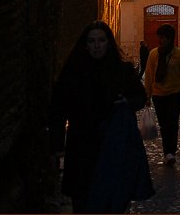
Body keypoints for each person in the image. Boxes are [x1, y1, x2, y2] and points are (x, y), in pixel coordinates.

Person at [49, 21, 154, 213]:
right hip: (82, 147)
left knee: (112, 200)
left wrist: (125, 102)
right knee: (84, 200)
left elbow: (140, 97)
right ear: (85, 44)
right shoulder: (74, 73)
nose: (97, 45)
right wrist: (57, 144)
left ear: (108, 42)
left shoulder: (122, 71)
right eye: (92, 41)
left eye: (101, 40)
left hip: (113, 147)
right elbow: (58, 108)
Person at [143, 24, 180, 167]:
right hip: (158, 95)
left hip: (174, 94)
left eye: (163, 37)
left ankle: (170, 151)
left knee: (172, 122)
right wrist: (147, 96)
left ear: (170, 38)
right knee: (164, 124)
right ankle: (168, 152)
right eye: (160, 37)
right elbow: (149, 76)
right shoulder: (153, 54)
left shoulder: (179, 55)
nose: (161, 40)